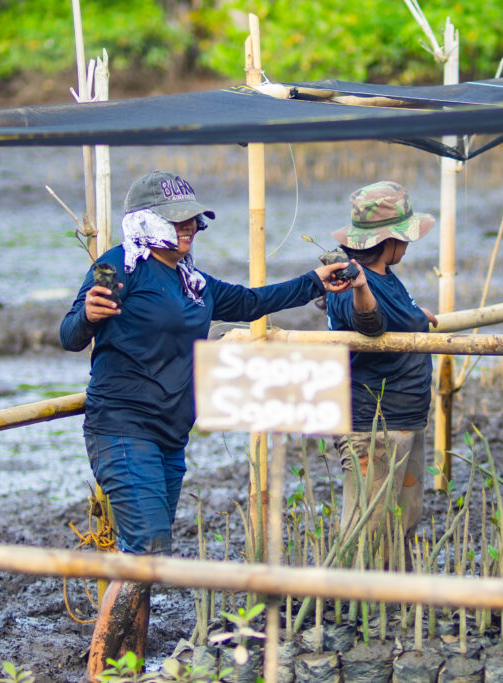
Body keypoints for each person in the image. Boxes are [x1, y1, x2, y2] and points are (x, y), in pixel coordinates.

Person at [60, 170, 354, 679]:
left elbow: (249, 301)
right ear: (147, 222)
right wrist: (88, 314)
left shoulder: (191, 281)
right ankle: (97, 672)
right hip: (122, 427)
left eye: (194, 218)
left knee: (145, 553)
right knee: (147, 549)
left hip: (171, 437)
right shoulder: (117, 267)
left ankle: (129, 663)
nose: (191, 227)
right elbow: (68, 333)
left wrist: (313, 283)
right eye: (178, 220)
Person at [324, 180, 437, 568]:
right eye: (403, 238)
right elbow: (369, 323)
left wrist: (416, 318)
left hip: (405, 418)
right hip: (374, 423)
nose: (408, 245)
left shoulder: (385, 275)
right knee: (366, 531)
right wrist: (360, 289)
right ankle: (354, 618)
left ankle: (392, 613)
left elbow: (392, 316)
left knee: (402, 522)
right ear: (386, 240)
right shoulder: (348, 283)